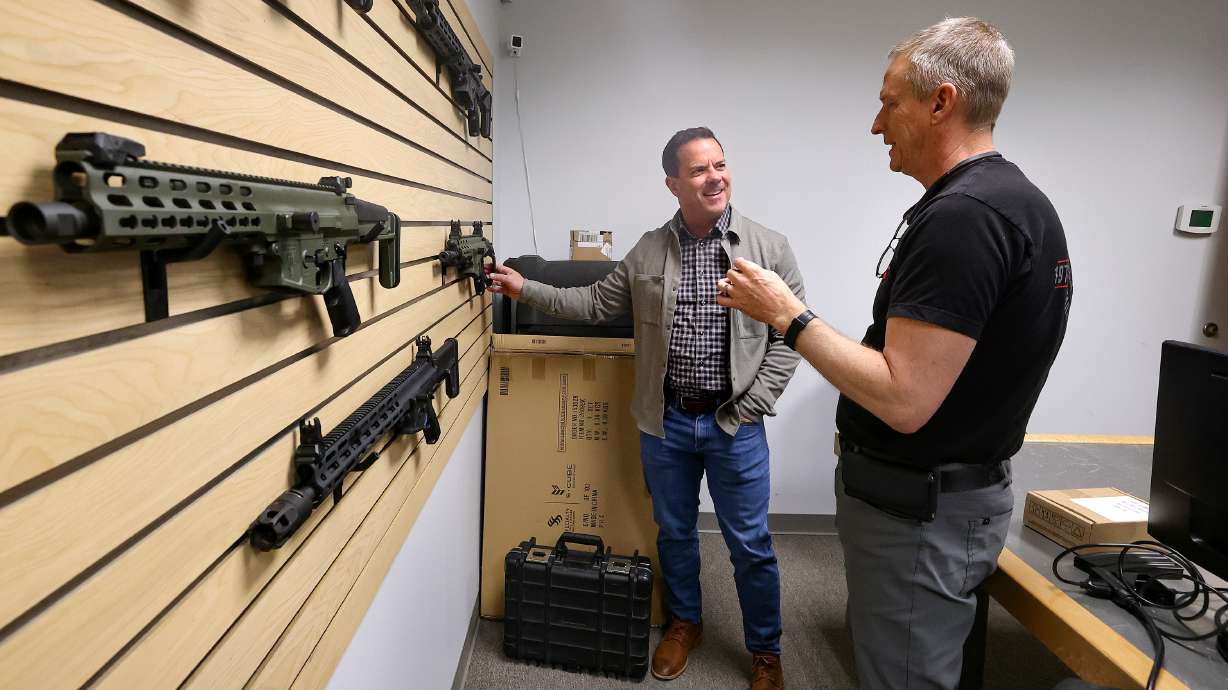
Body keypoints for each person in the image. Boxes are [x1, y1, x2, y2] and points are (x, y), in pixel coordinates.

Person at [717, 18, 1073, 690]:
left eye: (889, 102)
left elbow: (903, 399)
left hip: (920, 520)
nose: (877, 124)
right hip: (941, 504)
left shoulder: (966, 218)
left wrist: (785, 315)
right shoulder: (1015, 202)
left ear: (941, 102)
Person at [489, 127, 804, 689]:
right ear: (673, 184)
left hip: (735, 424)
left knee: (751, 545)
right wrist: (524, 288)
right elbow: (593, 303)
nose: (715, 178)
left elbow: (792, 333)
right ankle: (685, 623)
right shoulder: (649, 250)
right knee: (674, 532)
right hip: (667, 423)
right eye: (699, 170)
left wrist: (754, 404)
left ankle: (765, 651)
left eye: (720, 165)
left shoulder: (768, 247)